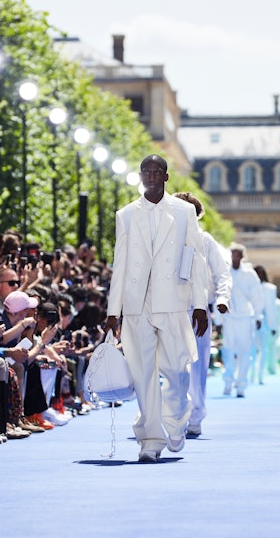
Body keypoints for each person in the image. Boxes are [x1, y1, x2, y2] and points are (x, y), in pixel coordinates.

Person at [105, 154, 208, 463]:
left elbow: (196, 259)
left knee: (177, 371)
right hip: (137, 306)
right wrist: (114, 310)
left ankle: (176, 420)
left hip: (173, 303)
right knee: (143, 374)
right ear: (140, 176)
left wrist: (200, 304)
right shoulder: (125, 215)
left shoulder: (184, 211)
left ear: (165, 176)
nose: (150, 175)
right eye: (146, 171)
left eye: (156, 171)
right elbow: (119, 264)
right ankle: (150, 440)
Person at [173, 191, 231, 436]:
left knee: (197, 366)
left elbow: (221, 274)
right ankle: (173, 412)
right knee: (172, 364)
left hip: (198, 312)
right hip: (170, 310)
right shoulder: (164, 239)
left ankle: (196, 414)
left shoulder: (205, 241)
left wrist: (222, 299)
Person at [220, 243, 264, 397]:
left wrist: (258, 316)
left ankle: (241, 385)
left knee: (245, 351)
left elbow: (257, 296)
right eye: (232, 253)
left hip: (245, 317)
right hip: (229, 317)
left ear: (242, 256)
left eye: (237, 254)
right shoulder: (224, 272)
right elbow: (220, 294)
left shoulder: (249, 274)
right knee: (228, 350)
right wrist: (218, 319)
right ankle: (228, 381)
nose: (234, 257)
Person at [251, 265, 279, 385]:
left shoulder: (270, 288)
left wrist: (273, 326)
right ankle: (251, 373)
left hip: (266, 323)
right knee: (251, 349)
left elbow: (272, 308)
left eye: (261, 273)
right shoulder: (250, 287)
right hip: (251, 322)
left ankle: (261, 374)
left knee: (264, 350)